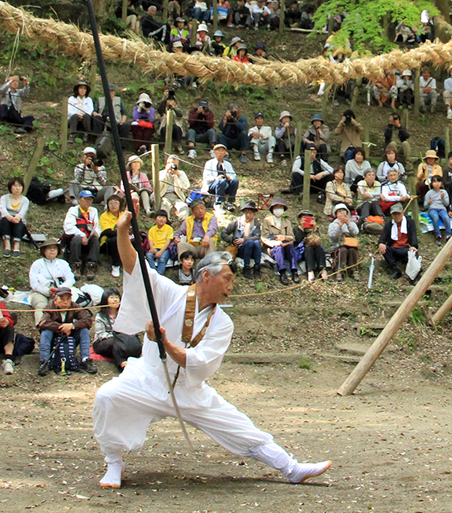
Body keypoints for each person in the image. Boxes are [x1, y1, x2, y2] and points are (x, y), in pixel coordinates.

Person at [92, 213, 333, 489]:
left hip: (187, 389)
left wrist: (165, 343)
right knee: (107, 397)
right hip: (148, 378)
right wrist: (123, 231)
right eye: (227, 279)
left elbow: (199, 361)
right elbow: (135, 267)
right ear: (206, 275)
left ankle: (291, 468)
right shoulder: (171, 294)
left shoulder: (222, 323)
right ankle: (113, 463)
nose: (231, 287)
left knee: (239, 426)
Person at [37, 286, 96, 375]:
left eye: (68, 299)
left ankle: (85, 359)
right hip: (55, 337)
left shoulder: (75, 307)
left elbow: (87, 321)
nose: (65, 302)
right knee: (46, 332)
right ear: (55, 299)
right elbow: (43, 323)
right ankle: (44, 361)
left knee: (84, 331)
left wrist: (72, 326)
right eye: (61, 299)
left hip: (70, 337)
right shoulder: (49, 307)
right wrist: (62, 328)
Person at [92, 288, 142, 372]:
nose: (115, 300)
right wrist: (118, 336)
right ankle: (122, 364)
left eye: (116, 297)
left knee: (134, 340)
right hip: (103, 342)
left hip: (122, 340)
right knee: (115, 342)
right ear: (106, 300)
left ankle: (135, 360)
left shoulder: (124, 314)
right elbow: (101, 334)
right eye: (111, 297)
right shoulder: (101, 316)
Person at [28, 238, 76, 322]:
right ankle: (42, 326)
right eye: (49, 248)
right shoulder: (37, 264)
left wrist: (61, 289)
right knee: (41, 304)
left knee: (57, 305)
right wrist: (47, 291)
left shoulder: (63, 263)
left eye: (54, 248)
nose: (52, 250)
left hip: (60, 290)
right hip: (40, 291)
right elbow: (34, 283)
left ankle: (59, 327)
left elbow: (70, 278)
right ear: (44, 251)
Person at [65, 189, 103, 280]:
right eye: (85, 199)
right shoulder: (73, 210)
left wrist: (97, 232)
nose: (87, 201)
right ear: (79, 200)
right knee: (77, 239)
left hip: (88, 236)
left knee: (95, 240)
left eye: (90, 199)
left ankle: (91, 266)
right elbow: (68, 227)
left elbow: (97, 225)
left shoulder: (93, 211)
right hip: (75, 238)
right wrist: (82, 235)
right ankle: (76, 265)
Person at [262, 198, 299, 284]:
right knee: (278, 249)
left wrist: (284, 237)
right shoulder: (267, 221)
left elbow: (292, 237)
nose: (279, 209)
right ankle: (282, 272)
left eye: (281, 207)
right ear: (273, 209)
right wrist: (274, 243)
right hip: (272, 247)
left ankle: (294, 271)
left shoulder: (287, 222)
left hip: (285, 244)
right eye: (277, 207)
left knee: (291, 247)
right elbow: (264, 237)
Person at [377, 206, 419, 282]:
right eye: (394, 214)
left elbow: (413, 235)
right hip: (394, 248)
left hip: (406, 247)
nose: (396, 216)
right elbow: (383, 237)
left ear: (402, 213)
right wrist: (381, 243)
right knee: (385, 250)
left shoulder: (410, 222)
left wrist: (413, 246)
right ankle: (395, 269)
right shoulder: (389, 225)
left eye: (398, 214)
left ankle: (415, 275)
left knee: (413, 253)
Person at [224, 201, 265, 279]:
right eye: (246, 212)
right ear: (243, 212)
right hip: (240, 249)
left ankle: (257, 267)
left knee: (256, 242)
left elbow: (257, 236)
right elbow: (224, 233)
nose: (248, 215)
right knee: (249, 242)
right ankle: (246, 267)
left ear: (254, 213)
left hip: (253, 249)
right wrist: (232, 240)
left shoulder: (256, 223)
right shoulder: (237, 222)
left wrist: (244, 240)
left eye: (251, 213)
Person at [0, 177, 32, 258]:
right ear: (10, 187)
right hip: (5, 224)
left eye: (19, 186)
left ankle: (16, 246)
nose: (17, 188)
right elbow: (2, 209)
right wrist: (9, 217)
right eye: (15, 186)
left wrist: (17, 217)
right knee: (5, 220)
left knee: (19, 222)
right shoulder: (4, 198)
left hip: (18, 224)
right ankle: (7, 244)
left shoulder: (25, 200)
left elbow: (22, 212)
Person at [328, 204, 361, 280]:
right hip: (337, 245)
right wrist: (339, 227)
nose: (342, 213)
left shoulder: (351, 223)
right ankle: (339, 271)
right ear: (336, 214)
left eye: (343, 211)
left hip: (350, 245)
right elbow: (332, 236)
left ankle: (353, 270)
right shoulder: (333, 225)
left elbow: (356, 232)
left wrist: (349, 224)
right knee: (343, 250)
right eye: (339, 212)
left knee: (352, 250)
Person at [146, 210, 175, 274]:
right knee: (149, 255)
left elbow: (168, 242)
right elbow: (150, 240)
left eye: (163, 217)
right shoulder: (152, 229)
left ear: (166, 220)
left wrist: (160, 252)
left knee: (162, 259)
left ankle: (159, 274)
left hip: (164, 248)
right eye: (159, 217)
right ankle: (153, 273)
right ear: (156, 218)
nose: (161, 219)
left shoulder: (169, 229)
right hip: (155, 247)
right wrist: (152, 248)